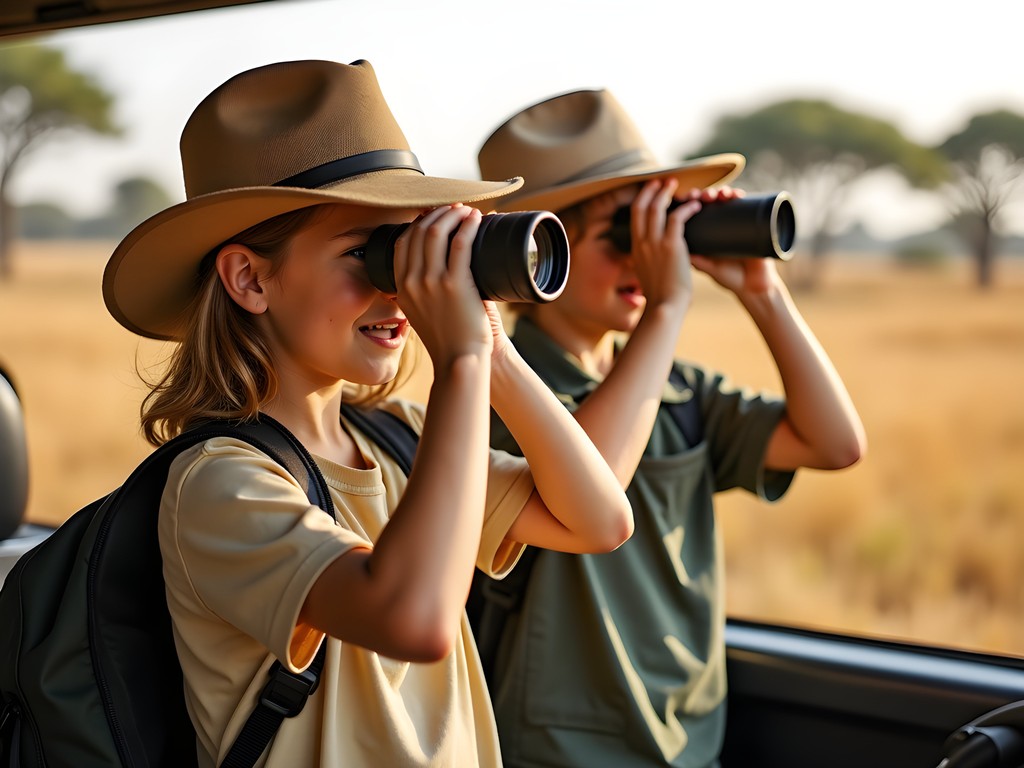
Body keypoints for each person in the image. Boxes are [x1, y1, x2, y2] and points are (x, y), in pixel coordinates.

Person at [102, 60, 633, 768]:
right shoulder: (219, 483)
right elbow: (413, 621)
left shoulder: (398, 438)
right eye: (369, 254)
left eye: (416, 248)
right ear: (250, 279)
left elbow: (598, 520)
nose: (402, 290)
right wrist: (463, 363)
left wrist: (492, 347)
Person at [474, 89, 867, 767]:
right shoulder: (492, 399)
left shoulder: (680, 392)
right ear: (540, 252)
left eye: (664, 232)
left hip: (688, 741)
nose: (646, 259)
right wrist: (666, 307)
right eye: (622, 235)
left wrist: (763, 293)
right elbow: (589, 481)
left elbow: (834, 443)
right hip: (558, 751)